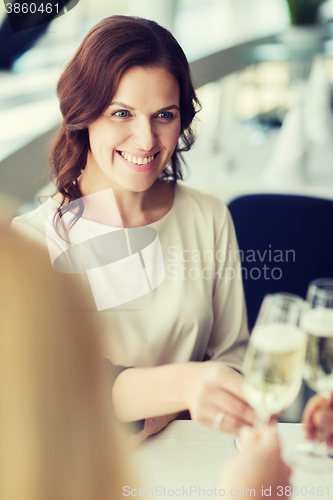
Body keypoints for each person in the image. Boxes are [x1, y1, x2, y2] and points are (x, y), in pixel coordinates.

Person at [12, 15, 251, 438]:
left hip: (196, 463)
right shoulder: (28, 245)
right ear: (82, 114)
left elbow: (232, 360)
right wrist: (184, 390)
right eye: (122, 113)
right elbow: (52, 397)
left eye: (164, 115)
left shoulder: (209, 218)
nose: (146, 140)